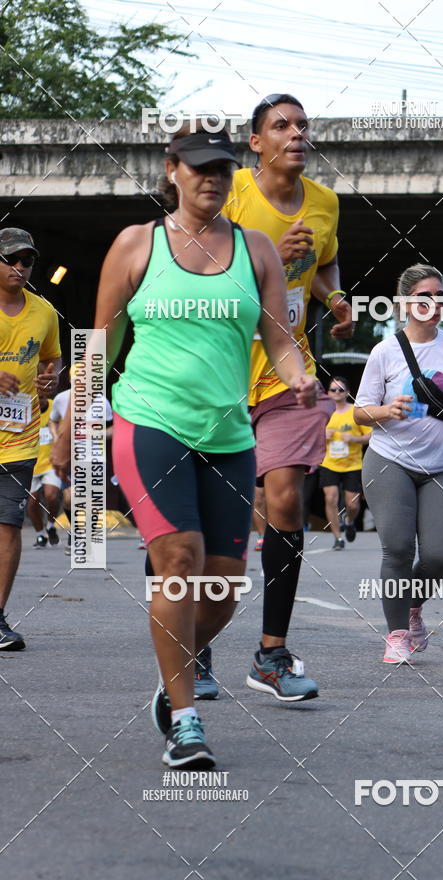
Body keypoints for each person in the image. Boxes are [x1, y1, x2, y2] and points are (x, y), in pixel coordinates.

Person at [52, 126, 317, 769]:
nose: (212, 180)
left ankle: (176, 673)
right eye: (198, 169)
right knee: (179, 560)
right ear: (171, 170)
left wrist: (298, 375)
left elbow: (278, 338)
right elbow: (101, 339)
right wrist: (75, 417)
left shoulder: (256, 250)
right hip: (150, 423)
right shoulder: (137, 245)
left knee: (223, 588)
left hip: (228, 435)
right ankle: (185, 718)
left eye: (223, 171)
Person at [218, 93, 354, 701]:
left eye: (303, 125)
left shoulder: (324, 202)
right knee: (202, 524)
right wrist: (268, 259)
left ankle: (271, 653)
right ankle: (190, 650)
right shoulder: (230, 194)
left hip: (284, 373)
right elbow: (193, 268)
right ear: (256, 143)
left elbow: (322, 264)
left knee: (286, 502)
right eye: (281, 125)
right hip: (215, 372)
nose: (296, 133)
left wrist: (335, 297)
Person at [354, 264, 443, 663]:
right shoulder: (384, 351)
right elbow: (359, 413)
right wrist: (387, 410)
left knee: (442, 554)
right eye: (424, 296)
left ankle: (412, 607)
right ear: (405, 302)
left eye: (439, 296)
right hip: (390, 460)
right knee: (398, 550)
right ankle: (396, 634)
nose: (434, 303)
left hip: (442, 465)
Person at [0, 228, 61, 649]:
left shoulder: (44, 312)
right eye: (12, 259)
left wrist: (50, 379)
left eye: (27, 261)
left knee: (7, 528)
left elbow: (52, 358)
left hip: (19, 438)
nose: (20, 267)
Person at [50, 382, 113, 555]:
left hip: (94, 457)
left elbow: (114, 427)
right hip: (71, 458)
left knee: (91, 500)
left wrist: (98, 433)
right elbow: (53, 420)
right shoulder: (61, 398)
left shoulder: (101, 401)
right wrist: (57, 439)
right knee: (70, 498)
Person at [320, 375, 371, 549]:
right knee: (331, 497)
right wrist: (321, 435)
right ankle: (337, 538)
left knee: (353, 504)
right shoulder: (323, 412)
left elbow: (370, 436)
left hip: (353, 465)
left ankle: (349, 521)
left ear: (347, 393)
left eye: (340, 389)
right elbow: (307, 435)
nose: (336, 392)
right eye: (333, 389)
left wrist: (354, 438)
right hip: (329, 463)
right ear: (327, 393)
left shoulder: (354, 412)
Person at [27, 397, 62, 547]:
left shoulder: (55, 406)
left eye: (41, 396)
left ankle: (50, 525)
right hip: (31, 462)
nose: (39, 400)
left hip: (51, 463)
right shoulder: (26, 409)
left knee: (51, 495)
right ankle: (41, 535)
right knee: (32, 501)